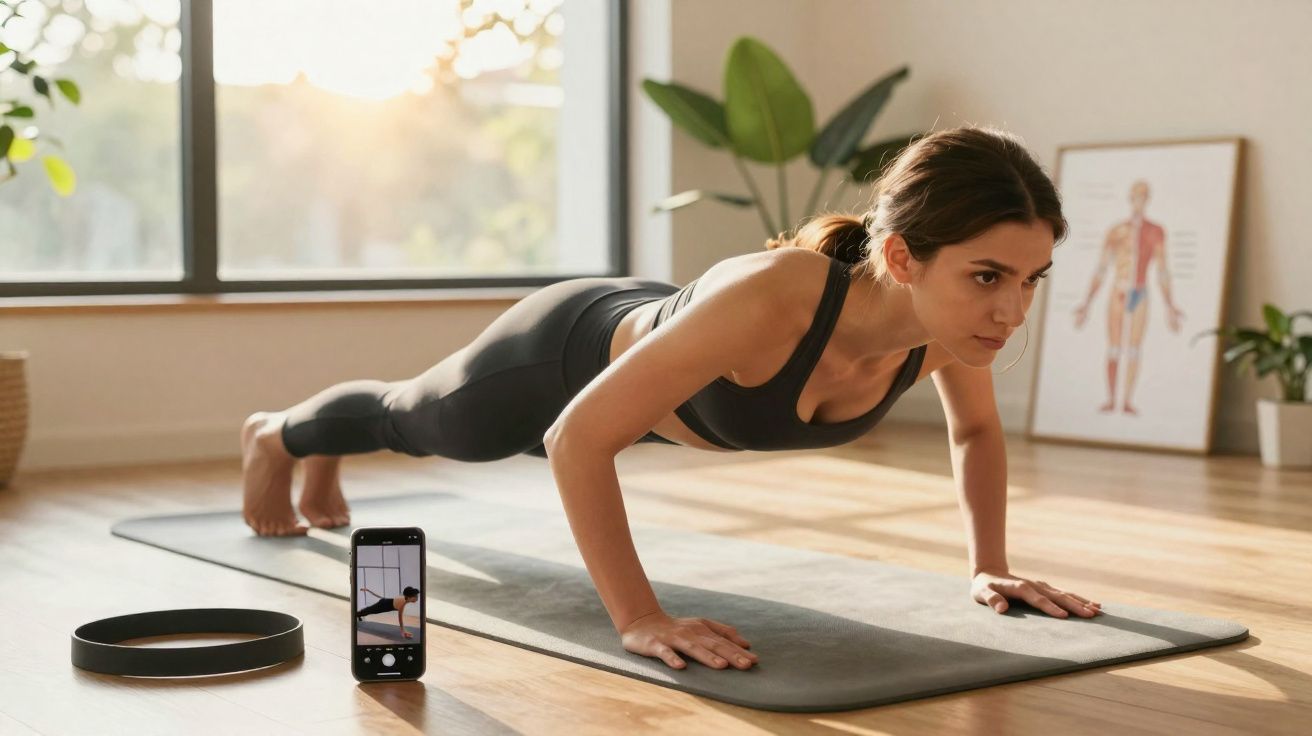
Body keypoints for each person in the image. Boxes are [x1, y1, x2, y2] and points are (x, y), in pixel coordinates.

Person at [241, 125, 1103, 673]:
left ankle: (312, 458)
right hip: (561, 355)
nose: (1012, 310)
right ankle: (278, 437)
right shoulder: (781, 298)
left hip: (675, 348)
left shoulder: (948, 334)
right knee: (418, 422)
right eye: (988, 276)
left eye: (1031, 279)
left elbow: (978, 435)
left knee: (415, 428)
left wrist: (987, 564)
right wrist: (640, 617)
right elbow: (576, 438)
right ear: (907, 258)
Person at [356, 585, 420, 640]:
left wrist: (368, 590)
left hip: (386, 602)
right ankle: (357, 614)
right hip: (383, 604)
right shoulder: (402, 603)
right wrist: (403, 631)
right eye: (415, 597)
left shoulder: (405, 599)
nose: (417, 598)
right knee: (370, 610)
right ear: (409, 597)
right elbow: (400, 619)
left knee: (370, 610)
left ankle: (359, 614)